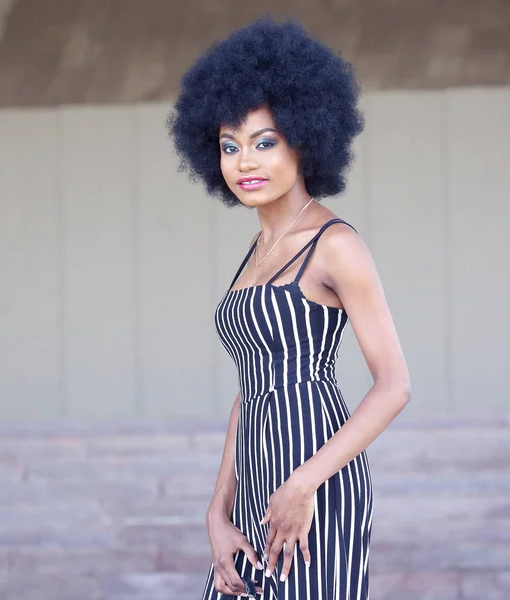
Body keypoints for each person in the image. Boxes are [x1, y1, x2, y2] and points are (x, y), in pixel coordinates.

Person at [168, 17, 410, 600]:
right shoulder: (257, 251)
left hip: (316, 480)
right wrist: (216, 510)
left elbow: (394, 386)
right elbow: (250, 388)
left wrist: (303, 484)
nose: (244, 161)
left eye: (264, 142)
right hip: (253, 480)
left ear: (305, 137)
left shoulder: (336, 245)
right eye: (230, 146)